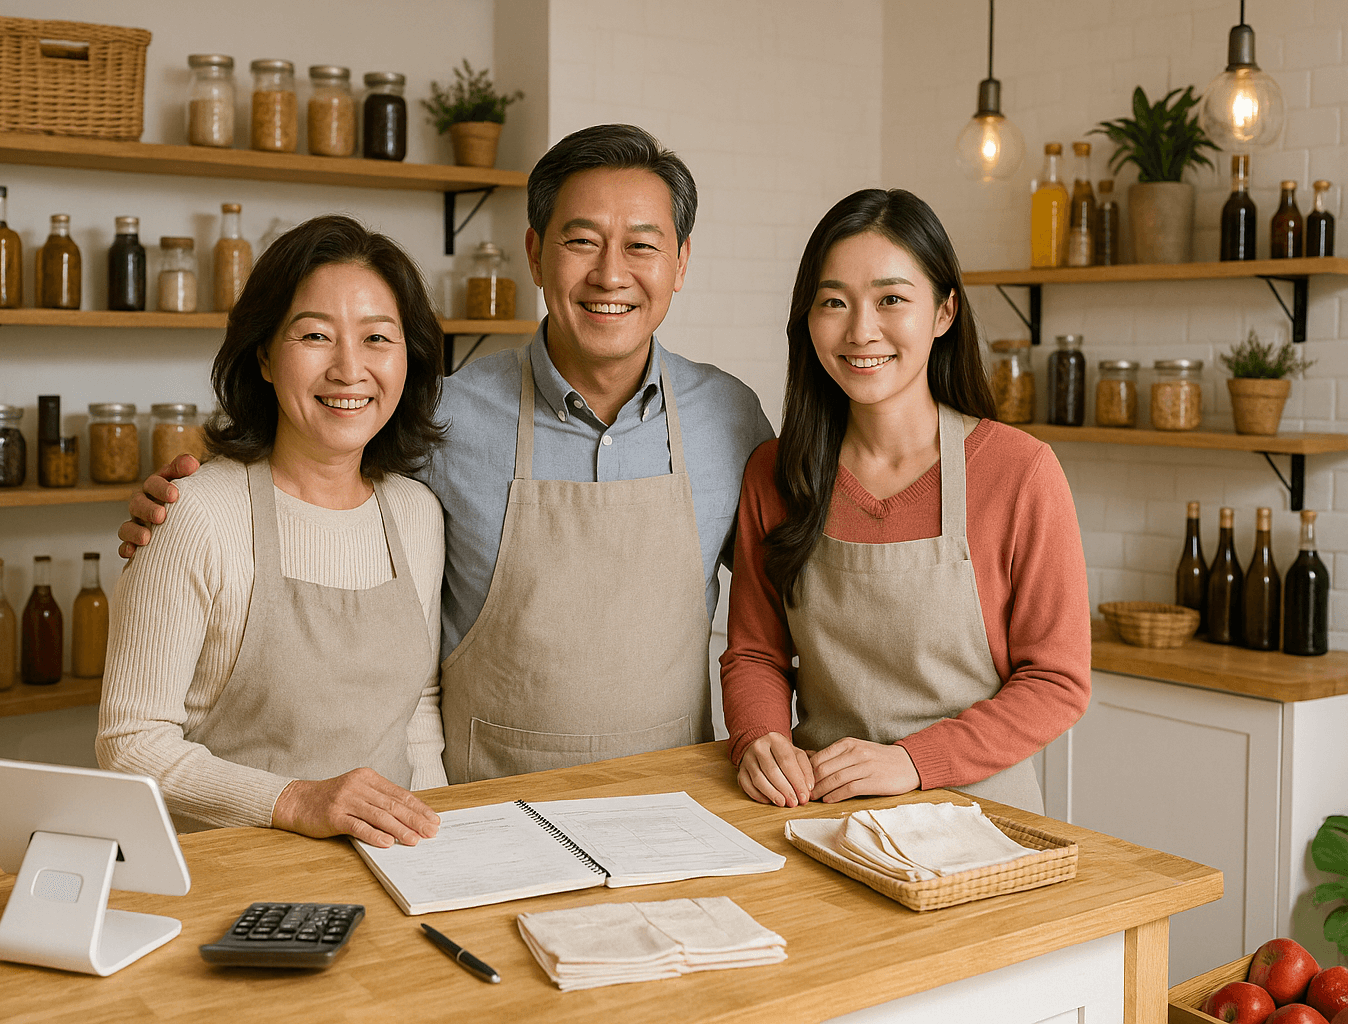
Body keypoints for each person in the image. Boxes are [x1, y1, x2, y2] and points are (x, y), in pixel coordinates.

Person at [120, 125, 774, 785]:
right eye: (580, 241)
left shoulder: (729, 416)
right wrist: (178, 511)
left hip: (672, 798)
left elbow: (784, 605)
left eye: (642, 245)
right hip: (487, 807)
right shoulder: (441, 415)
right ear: (535, 253)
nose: (610, 273)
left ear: (682, 262)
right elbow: (311, 475)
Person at [721, 189, 1090, 814]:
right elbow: (756, 651)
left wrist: (913, 761)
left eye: (891, 299)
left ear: (944, 312)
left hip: (979, 818)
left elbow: (1057, 682)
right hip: (818, 812)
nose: (861, 330)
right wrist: (759, 738)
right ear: (807, 319)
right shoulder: (775, 472)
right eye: (834, 302)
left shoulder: (1020, 472)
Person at [97, 215, 448, 848]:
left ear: (408, 358)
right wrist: (294, 800)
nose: (349, 369)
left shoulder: (416, 512)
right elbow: (129, 745)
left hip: (395, 869)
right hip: (231, 874)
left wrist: (437, 833)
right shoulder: (198, 513)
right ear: (263, 355)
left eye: (377, 338)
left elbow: (417, 706)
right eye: (315, 335)